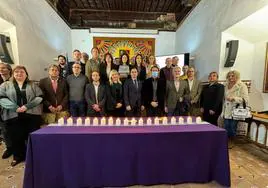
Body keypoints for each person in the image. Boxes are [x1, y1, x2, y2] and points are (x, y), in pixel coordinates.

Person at [0, 65, 43, 166]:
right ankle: (18, 156)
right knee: (15, 137)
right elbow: (1, 98)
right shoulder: (5, 85)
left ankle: (33, 156)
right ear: (13, 74)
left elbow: (40, 97)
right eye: (17, 72)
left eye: (22, 72)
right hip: (13, 115)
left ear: (26, 74)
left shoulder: (32, 85)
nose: (19, 74)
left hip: (31, 114)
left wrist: (27, 106)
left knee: (32, 137)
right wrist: (15, 107)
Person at [222, 70, 249, 148]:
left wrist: (234, 98)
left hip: (235, 109)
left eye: (232, 76)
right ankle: (225, 141)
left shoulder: (242, 86)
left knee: (232, 126)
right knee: (226, 126)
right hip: (226, 108)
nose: (230, 78)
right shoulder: (225, 85)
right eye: (229, 76)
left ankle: (231, 141)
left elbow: (245, 99)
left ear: (237, 76)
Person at [0, 62, 13, 159]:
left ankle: (16, 147)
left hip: (11, 109)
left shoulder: (13, 81)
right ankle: (9, 147)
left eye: (4, 68)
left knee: (12, 129)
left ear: (9, 70)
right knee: (4, 130)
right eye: (0, 68)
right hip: (0, 110)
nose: (1, 69)